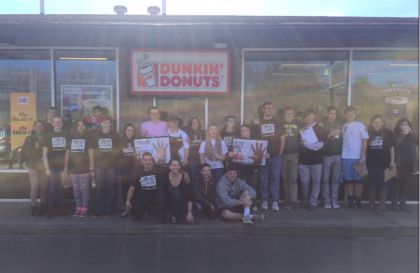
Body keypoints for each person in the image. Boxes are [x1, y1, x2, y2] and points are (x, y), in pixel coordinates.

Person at [252, 101, 285, 211]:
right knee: (264, 179)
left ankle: (275, 201)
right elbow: (255, 140)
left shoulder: (278, 122)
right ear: (263, 109)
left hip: (276, 156)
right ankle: (265, 200)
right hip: (263, 156)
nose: (269, 110)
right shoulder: (258, 122)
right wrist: (262, 154)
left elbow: (282, 138)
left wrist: (280, 153)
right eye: (267, 108)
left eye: (271, 108)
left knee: (275, 178)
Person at [64, 119, 94, 217]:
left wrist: (91, 169)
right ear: (76, 127)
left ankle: (85, 208)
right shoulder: (70, 139)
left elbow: (91, 155)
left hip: (84, 169)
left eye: (83, 125)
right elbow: (67, 154)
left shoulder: (88, 138)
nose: (80, 127)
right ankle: (78, 207)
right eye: (78, 125)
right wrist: (66, 168)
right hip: (73, 169)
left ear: (85, 127)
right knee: (76, 190)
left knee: (84, 189)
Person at [125, 152, 166, 223]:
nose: (148, 162)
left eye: (150, 160)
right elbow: (132, 188)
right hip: (143, 196)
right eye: (145, 160)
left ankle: (159, 214)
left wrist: (185, 173)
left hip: (156, 195)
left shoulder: (159, 168)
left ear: (152, 161)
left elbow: (173, 169)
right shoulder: (138, 171)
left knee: (162, 198)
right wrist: (127, 201)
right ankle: (144, 211)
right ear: (142, 161)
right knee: (135, 213)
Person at [298, 109, 327, 211]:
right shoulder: (301, 130)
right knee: (304, 182)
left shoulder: (320, 128)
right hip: (303, 161)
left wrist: (306, 144)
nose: (310, 118)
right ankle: (305, 201)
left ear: (314, 117)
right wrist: (304, 144)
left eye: (312, 116)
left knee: (316, 182)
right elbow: (299, 144)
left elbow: (320, 145)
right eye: (308, 116)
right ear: (304, 118)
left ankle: (313, 202)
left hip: (316, 160)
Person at [366, 115, 396, 212]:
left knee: (384, 184)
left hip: (385, 163)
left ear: (382, 123)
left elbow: (392, 147)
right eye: (375, 122)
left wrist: (392, 161)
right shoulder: (368, 132)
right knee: (372, 184)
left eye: (379, 122)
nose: (377, 124)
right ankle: (371, 204)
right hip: (371, 163)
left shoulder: (388, 133)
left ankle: (382, 205)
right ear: (371, 123)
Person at [341, 106, 369, 210]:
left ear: (355, 114)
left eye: (352, 113)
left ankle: (358, 201)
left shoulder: (360, 125)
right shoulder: (343, 126)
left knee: (359, 181)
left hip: (358, 157)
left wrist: (362, 156)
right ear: (345, 115)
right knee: (348, 181)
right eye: (348, 113)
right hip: (346, 157)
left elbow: (365, 141)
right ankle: (351, 201)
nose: (350, 115)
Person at [93, 116, 120, 216]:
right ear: (101, 124)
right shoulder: (96, 136)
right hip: (99, 166)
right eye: (105, 122)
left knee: (110, 189)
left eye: (108, 123)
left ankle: (109, 210)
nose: (106, 124)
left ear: (110, 124)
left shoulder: (115, 136)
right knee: (99, 189)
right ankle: (99, 210)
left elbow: (118, 151)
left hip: (111, 166)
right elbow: (93, 152)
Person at [42, 116, 67, 219]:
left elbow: (67, 153)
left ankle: (60, 210)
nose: (57, 123)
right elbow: (44, 155)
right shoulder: (48, 136)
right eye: (55, 122)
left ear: (62, 123)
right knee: (51, 190)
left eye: (59, 122)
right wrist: (47, 169)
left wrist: (66, 168)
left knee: (60, 189)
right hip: (51, 168)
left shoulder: (65, 134)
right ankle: (50, 211)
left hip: (62, 168)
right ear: (52, 123)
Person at [391, 118, 418, 212]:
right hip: (397, 165)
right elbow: (397, 144)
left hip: (409, 164)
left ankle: (403, 204)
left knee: (405, 185)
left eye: (407, 124)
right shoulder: (395, 135)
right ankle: (394, 205)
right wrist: (403, 134)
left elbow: (417, 141)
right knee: (396, 185)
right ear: (399, 126)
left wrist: (412, 132)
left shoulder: (411, 136)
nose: (405, 126)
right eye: (403, 124)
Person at [21, 120, 46, 216]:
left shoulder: (46, 137)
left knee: (44, 187)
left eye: (40, 126)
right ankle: (33, 207)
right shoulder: (29, 138)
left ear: (43, 127)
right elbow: (24, 153)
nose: (38, 128)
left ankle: (43, 206)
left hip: (43, 165)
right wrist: (35, 148)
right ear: (34, 127)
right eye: (36, 126)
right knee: (35, 187)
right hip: (32, 165)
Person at [320, 106, 343, 209]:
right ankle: (326, 201)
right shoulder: (322, 125)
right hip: (326, 156)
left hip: (338, 155)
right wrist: (330, 134)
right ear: (327, 114)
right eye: (331, 113)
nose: (333, 115)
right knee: (325, 179)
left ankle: (334, 200)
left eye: (334, 113)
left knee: (335, 179)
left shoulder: (340, 124)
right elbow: (320, 140)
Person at [281, 107, 302, 212]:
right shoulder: (279, 124)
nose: (289, 115)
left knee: (293, 179)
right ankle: (287, 200)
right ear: (284, 115)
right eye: (287, 114)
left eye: (291, 113)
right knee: (285, 179)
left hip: (294, 155)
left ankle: (294, 201)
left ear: (294, 115)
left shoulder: (299, 123)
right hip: (283, 155)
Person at [165, 158, 194, 224]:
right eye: (173, 165)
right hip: (170, 203)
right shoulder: (165, 175)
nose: (176, 167)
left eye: (178, 165)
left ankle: (179, 213)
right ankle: (173, 214)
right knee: (174, 191)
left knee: (188, 220)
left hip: (182, 202)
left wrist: (190, 212)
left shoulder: (185, 177)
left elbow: (189, 196)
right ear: (169, 167)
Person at [118, 123, 137, 217]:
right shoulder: (120, 141)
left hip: (134, 169)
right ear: (125, 131)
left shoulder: (137, 141)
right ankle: (126, 209)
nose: (130, 132)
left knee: (134, 189)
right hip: (124, 170)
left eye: (132, 131)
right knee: (124, 190)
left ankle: (134, 209)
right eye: (128, 130)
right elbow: (117, 155)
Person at [185, 117, 206, 188]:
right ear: (190, 124)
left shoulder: (203, 133)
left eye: (196, 122)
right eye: (193, 122)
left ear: (199, 124)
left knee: (203, 178)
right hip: (192, 160)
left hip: (202, 159)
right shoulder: (187, 133)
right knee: (193, 178)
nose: (194, 124)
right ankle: (195, 196)